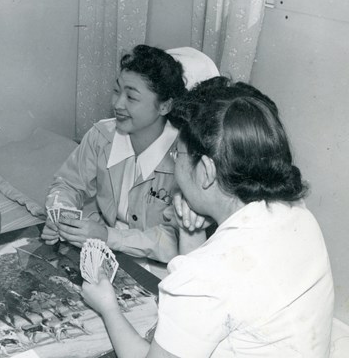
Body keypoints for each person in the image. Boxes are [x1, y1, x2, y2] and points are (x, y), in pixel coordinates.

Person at [81, 77, 335, 357]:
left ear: (206, 171)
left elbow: (203, 283)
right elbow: (206, 296)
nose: (174, 164)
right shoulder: (296, 211)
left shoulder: (205, 276)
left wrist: (108, 308)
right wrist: (190, 229)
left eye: (177, 155)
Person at [41, 45, 215, 267]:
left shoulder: (184, 158)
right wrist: (62, 216)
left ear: (165, 106)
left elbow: (178, 240)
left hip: (160, 266)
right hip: (105, 249)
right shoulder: (100, 136)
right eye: (116, 91)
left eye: (131, 97)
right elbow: (67, 184)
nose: (117, 104)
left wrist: (108, 236)